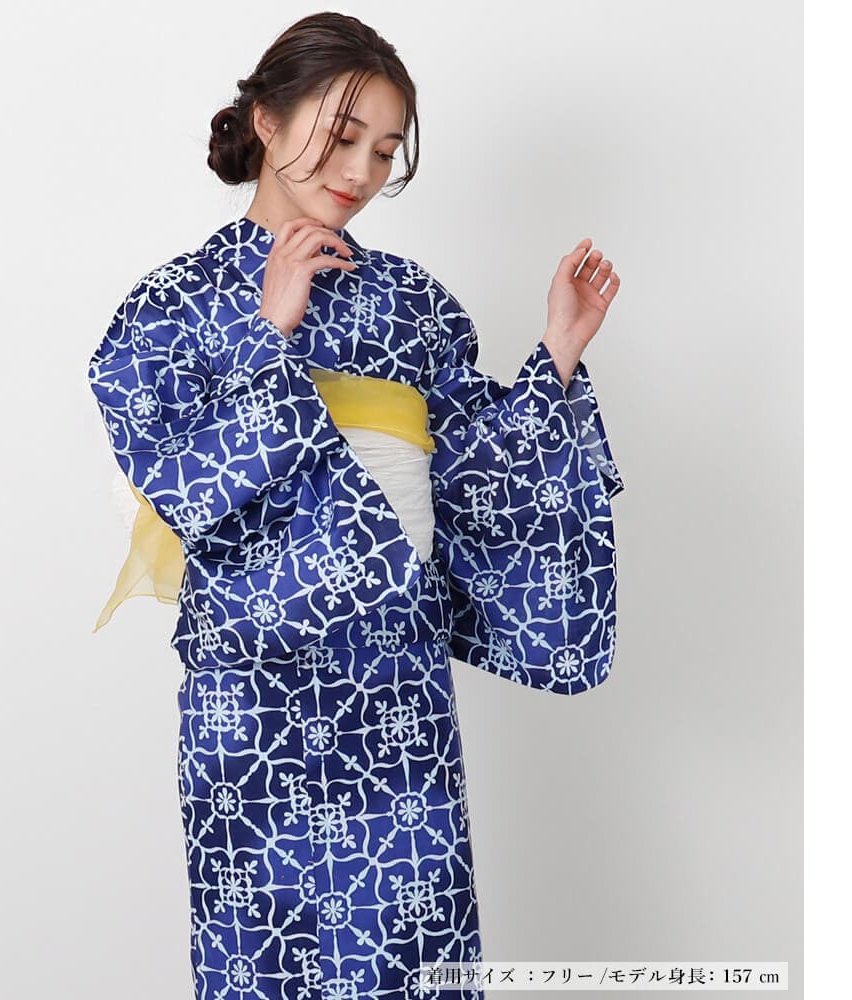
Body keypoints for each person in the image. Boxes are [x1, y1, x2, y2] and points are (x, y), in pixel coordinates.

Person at [87, 11, 624, 999]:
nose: (360, 171)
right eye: (342, 137)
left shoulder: (415, 303)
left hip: (394, 677)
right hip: (253, 684)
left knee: (414, 950)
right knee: (262, 952)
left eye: (383, 150)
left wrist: (556, 350)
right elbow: (174, 479)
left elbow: (477, 476)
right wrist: (268, 330)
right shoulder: (172, 303)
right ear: (266, 119)